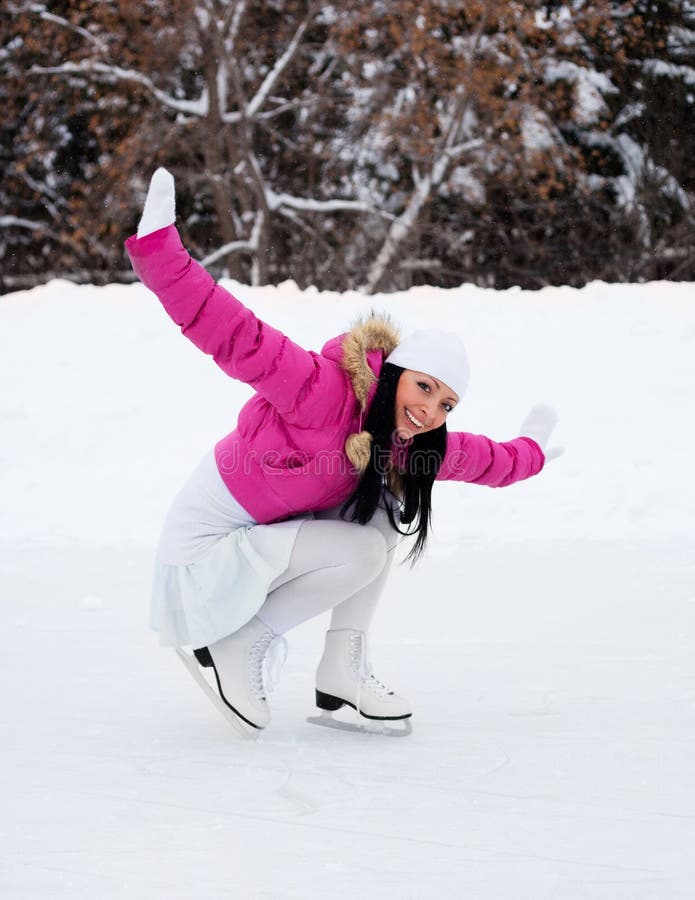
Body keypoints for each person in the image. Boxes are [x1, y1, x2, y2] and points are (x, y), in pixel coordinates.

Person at [125, 169, 560, 734]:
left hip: (255, 546)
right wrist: (161, 250)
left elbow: (479, 458)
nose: (431, 411)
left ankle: (342, 669)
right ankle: (240, 642)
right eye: (424, 387)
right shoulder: (319, 388)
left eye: (447, 403)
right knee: (363, 552)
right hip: (203, 556)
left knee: (380, 518)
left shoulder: (404, 442)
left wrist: (531, 453)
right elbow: (233, 332)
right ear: (397, 374)